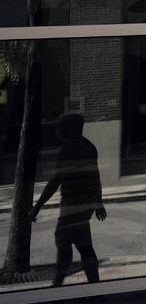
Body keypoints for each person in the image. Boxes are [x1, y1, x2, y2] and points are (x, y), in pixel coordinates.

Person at [29, 112, 106, 286]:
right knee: (84, 245)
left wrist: (37, 206)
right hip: (85, 206)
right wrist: (98, 202)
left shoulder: (67, 151)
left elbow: (54, 182)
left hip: (72, 206)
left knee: (63, 241)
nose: (57, 131)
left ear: (69, 129)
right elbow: (96, 176)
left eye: (60, 127)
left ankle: (58, 287)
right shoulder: (89, 147)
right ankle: (94, 287)